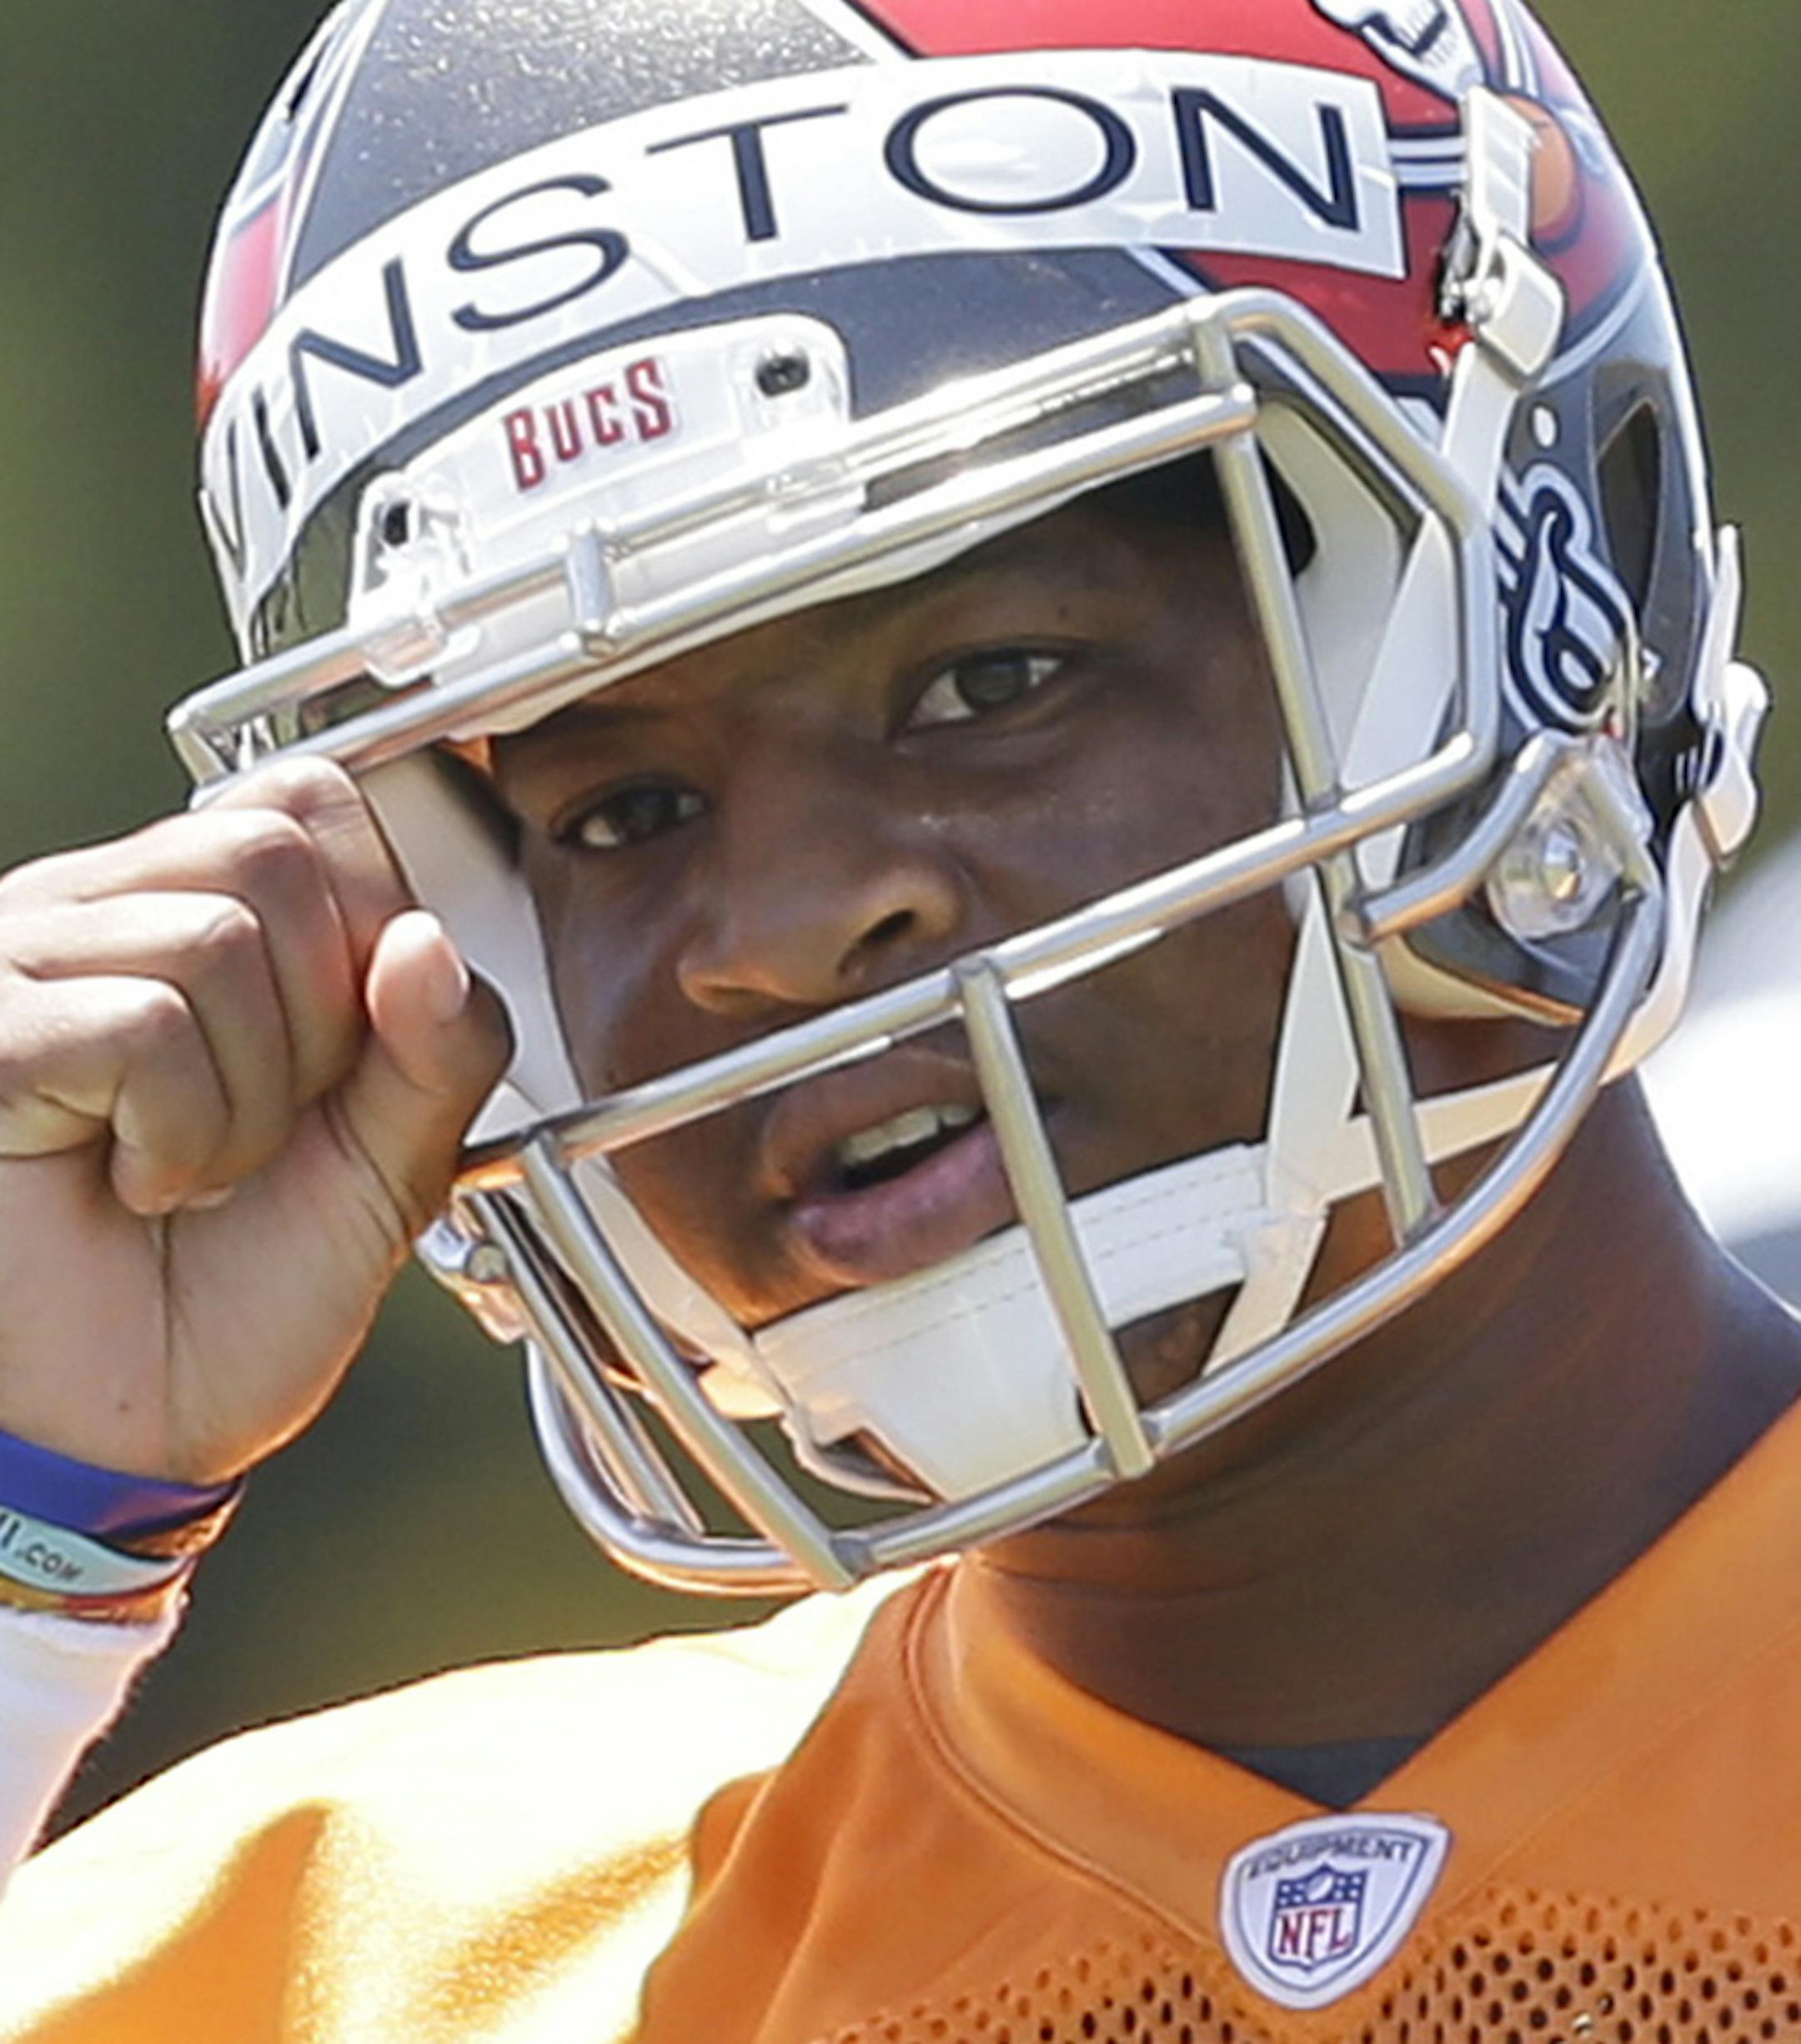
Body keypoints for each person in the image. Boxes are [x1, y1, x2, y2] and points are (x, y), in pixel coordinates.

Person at [0, 2, 1794, 2038]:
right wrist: (29, 1547)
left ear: (1536, 609)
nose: (765, 932)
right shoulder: (328, 1963)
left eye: (994, 678)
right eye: (622, 810)